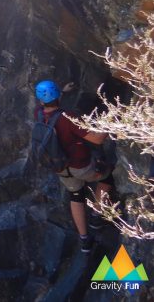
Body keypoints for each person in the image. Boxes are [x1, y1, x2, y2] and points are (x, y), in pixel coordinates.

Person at [34, 80, 115, 253]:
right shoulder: (68, 118)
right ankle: (96, 216)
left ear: (40, 100)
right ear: (57, 97)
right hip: (81, 165)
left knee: (76, 195)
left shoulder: (39, 114)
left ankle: (85, 240)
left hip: (60, 167)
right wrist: (111, 121)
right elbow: (97, 139)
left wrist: (62, 92)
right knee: (107, 178)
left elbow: (50, 107)